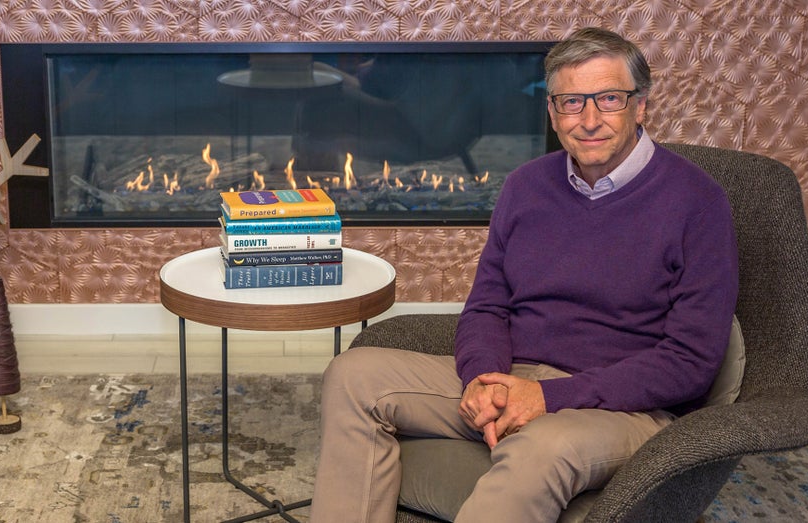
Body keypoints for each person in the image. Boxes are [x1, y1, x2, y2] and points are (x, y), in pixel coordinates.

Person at [310, 27, 739, 523]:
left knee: (541, 446)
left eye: (609, 99)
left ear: (640, 106)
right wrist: (482, 379)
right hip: (515, 376)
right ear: (553, 113)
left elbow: (691, 361)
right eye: (572, 102)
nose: (590, 120)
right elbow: (487, 307)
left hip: (625, 406)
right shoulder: (526, 185)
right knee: (353, 376)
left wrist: (549, 398)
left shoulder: (698, 203)